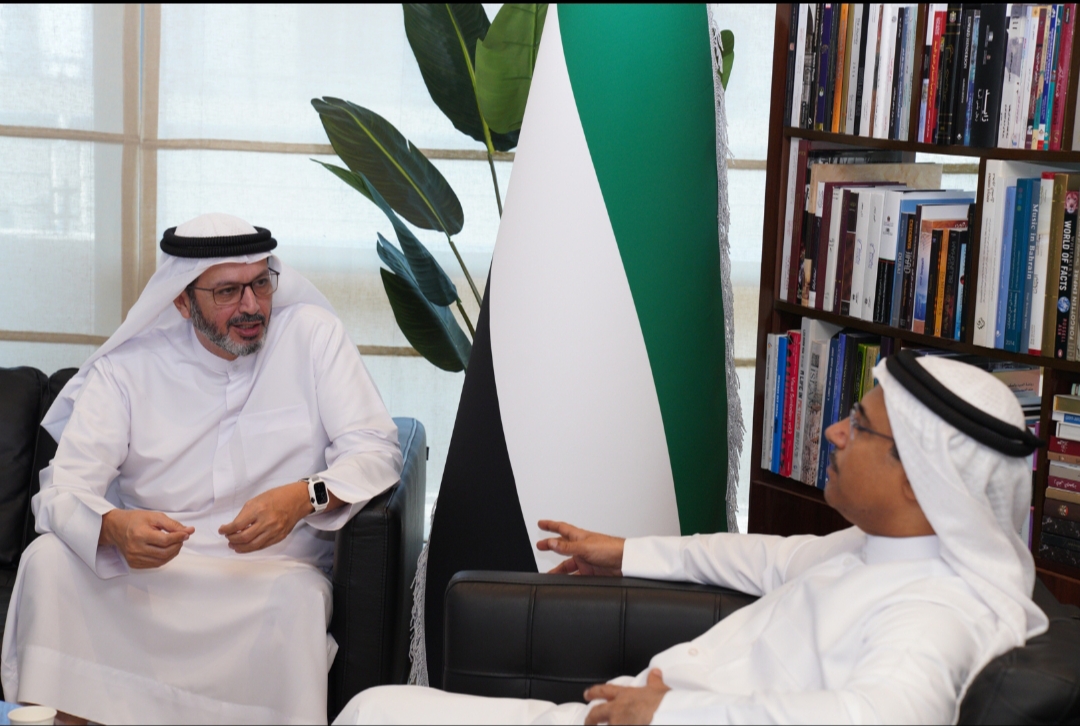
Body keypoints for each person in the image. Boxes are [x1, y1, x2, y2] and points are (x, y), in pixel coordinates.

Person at [335, 351, 1048, 725]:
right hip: (620, 712)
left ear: (922, 478)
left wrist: (677, 715)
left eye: (859, 426)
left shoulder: (931, 612)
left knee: (375, 712)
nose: (834, 432)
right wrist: (625, 552)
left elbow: (881, 717)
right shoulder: (878, 550)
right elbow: (765, 556)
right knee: (375, 710)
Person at [1, 213, 403, 724]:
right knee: (47, 561)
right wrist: (114, 528)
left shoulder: (312, 337)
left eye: (261, 283)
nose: (252, 305)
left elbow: (376, 450)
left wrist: (305, 496)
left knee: (298, 601)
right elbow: (63, 487)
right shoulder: (128, 367)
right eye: (228, 292)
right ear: (181, 300)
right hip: (152, 575)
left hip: (268, 578)